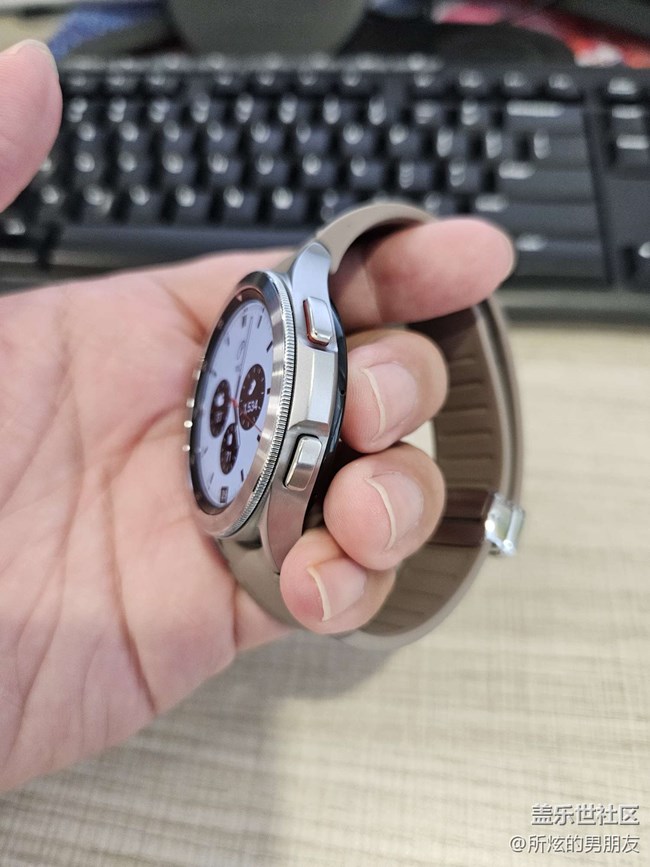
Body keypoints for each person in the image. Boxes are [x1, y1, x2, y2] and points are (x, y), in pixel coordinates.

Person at [0, 40, 516, 792]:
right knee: (370, 455)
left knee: (378, 441)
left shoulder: (292, 294)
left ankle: (483, 520)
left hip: (241, 506)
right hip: (238, 505)